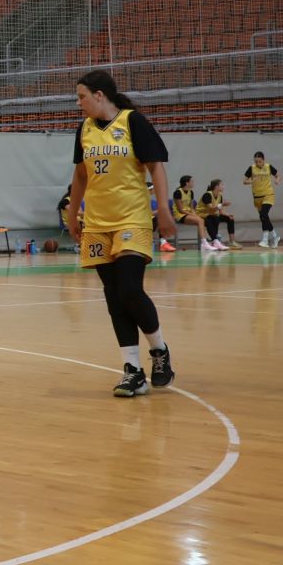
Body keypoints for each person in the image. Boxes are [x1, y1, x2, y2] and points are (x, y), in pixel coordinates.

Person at [68, 69, 178, 397]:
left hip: (132, 218)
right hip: (97, 223)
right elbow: (80, 175)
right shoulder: (85, 129)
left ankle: (159, 351)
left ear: (99, 95)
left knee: (130, 289)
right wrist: (72, 214)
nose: (78, 103)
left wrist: (164, 210)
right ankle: (132, 370)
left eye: (82, 96)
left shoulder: (133, 122)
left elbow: (156, 165)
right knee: (114, 297)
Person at [244, 151, 279, 247]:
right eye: (256, 161)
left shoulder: (268, 167)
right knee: (263, 217)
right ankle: (274, 236)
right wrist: (251, 181)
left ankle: (265, 239)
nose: (258, 163)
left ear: (263, 160)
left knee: (264, 213)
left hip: (268, 194)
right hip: (257, 196)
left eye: (259, 161)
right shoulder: (251, 168)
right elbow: (244, 181)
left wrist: (277, 180)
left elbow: (278, 176)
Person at [197, 180, 238, 251]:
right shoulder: (207, 195)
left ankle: (232, 241)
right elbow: (211, 208)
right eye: (222, 185)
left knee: (229, 219)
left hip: (211, 215)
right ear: (216, 186)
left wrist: (228, 215)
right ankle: (215, 241)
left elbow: (220, 212)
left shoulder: (220, 196)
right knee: (212, 219)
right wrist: (222, 204)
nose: (223, 186)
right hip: (201, 215)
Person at [167, 176, 203, 250]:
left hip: (188, 214)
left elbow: (192, 208)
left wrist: (194, 214)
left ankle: (205, 242)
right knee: (200, 221)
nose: (193, 183)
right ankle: (204, 242)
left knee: (201, 220)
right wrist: (193, 215)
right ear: (187, 183)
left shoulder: (191, 192)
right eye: (192, 181)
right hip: (179, 215)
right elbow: (180, 210)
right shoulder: (177, 192)